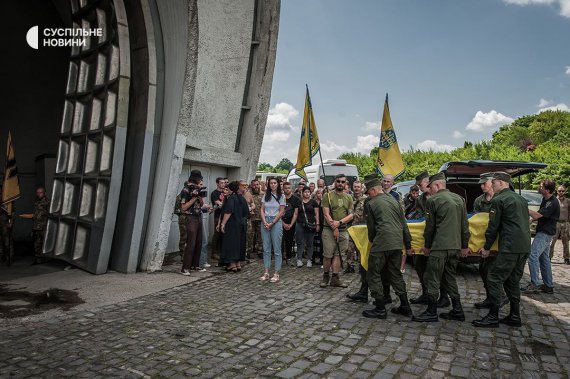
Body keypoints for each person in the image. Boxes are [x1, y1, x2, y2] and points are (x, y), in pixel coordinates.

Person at [472, 172, 531, 327]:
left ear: (501, 183)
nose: (492, 185)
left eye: (494, 182)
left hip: (509, 247)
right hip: (524, 246)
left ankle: (493, 316)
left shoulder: (499, 200)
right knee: (512, 282)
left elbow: (493, 227)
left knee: (494, 278)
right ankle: (515, 316)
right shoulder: (521, 199)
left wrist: (486, 247)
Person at [412, 172, 470, 323]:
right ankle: (457, 310)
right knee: (449, 277)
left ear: (437, 185)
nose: (429, 190)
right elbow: (465, 226)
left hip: (439, 247)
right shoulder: (460, 199)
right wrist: (464, 246)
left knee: (432, 278)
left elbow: (430, 227)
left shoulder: (433, 201)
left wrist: (427, 246)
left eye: (430, 186)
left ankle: (431, 311)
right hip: (455, 247)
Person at [361, 177, 414, 319]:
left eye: (368, 192)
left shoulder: (371, 203)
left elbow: (371, 229)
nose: (368, 195)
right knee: (395, 274)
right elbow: (404, 225)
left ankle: (379, 307)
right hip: (397, 243)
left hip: (382, 242)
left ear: (373, 190)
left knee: (373, 273)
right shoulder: (394, 200)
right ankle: (405, 306)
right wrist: (407, 244)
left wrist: (373, 241)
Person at [473, 173, 507, 309]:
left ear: (492, 182)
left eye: (484, 183)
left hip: (498, 241)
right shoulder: (478, 201)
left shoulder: (501, 199)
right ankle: (490, 297)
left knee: (493, 271)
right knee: (483, 269)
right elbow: (476, 222)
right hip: (483, 241)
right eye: (480, 184)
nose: (482, 186)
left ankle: (500, 297)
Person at [521, 179, 560, 294]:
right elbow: (541, 215)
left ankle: (534, 284)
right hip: (545, 232)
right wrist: (531, 219)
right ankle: (548, 285)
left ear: (547, 190)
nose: (539, 187)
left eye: (541, 186)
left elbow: (538, 214)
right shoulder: (545, 199)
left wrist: (523, 206)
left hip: (545, 233)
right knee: (544, 259)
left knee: (532, 256)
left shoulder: (552, 202)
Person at [320, 174, 354, 288]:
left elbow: (350, 215)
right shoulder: (327, 196)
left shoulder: (349, 197)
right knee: (327, 255)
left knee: (338, 255)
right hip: (328, 230)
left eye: (343, 182)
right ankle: (325, 276)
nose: (340, 183)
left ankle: (335, 278)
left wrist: (339, 223)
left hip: (343, 230)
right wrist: (334, 227)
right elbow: (326, 213)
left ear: (346, 184)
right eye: (338, 181)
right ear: (335, 182)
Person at [180, 170, 209, 275]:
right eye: (200, 179)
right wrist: (193, 198)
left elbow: (201, 205)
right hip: (190, 217)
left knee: (199, 242)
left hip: (198, 216)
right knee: (191, 243)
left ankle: (195, 265)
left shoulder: (197, 189)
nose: (201, 180)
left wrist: (200, 197)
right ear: (195, 179)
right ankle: (185, 268)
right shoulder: (186, 190)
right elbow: (183, 208)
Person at [260, 177, 285, 283]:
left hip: (276, 221)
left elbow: (281, 211)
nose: (273, 185)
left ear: (278, 184)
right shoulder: (266, 195)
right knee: (266, 248)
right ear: (268, 184)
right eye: (271, 183)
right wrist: (265, 221)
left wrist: (272, 223)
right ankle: (266, 272)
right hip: (265, 221)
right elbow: (262, 209)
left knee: (277, 248)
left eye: (275, 183)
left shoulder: (281, 196)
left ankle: (276, 273)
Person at [218, 181, 248, 272]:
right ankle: (238, 264)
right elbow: (246, 212)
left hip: (232, 224)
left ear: (231, 189)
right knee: (239, 243)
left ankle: (232, 264)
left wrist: (222, 223)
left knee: (230, 244)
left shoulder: (232, 198)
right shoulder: (242, 198)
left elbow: (228, 212)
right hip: (241, 224)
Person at [345, 180, 366, 273]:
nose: (356, 188)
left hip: (361, 227)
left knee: (361, 248)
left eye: (358, 187)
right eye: (355, 187)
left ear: (361, 188)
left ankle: (362, 266)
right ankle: (350, 266)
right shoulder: (348, 198)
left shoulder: (366, 199)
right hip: (350, 227)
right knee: (349, 248)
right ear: (352, 187)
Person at [295, 186, 320, 267]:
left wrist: (317, 224)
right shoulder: (299, 202)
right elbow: (296, 213)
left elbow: (316, 214)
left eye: (308, 192)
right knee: (300, 242)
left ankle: (309, 260)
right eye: (305, 192)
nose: (307, 193)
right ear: (302, 193)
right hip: (300, 224)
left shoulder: (313, 202)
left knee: (310, 243)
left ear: (310, 193)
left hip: (311, 225)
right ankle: (299, 259)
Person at [281, 182, 301, 264]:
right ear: (283, 189)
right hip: (281, 221)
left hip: (291, 222)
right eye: (285, 188)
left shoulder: (295, 199)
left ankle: (288, 257)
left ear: (291, 188)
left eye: (289, 188)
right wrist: (283, 224)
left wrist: (291, 224)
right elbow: (277, 212)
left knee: (289, 241)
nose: (287, 189)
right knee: (280, 241)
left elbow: (296, 213)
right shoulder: (280, 198)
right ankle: (280, 257)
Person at [549, 184, 569, 264]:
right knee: (552, 241)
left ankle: (566, 258)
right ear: (557, 191)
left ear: (565, 191)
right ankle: (549, 256)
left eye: (562, 191)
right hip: (555, 223)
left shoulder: (568, 201)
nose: (561, 192)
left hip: (565, 223)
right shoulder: (554, 200)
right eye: (559, 191)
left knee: (566, 242)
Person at [31, 187, 50, 264]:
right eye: (37, 192)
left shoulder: (47, 202)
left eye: (40, 192)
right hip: (36, 226)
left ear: (44, 193)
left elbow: (50, 214)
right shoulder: (37, 202)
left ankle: (46, 259)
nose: (39, 194)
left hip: (44, 226)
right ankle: (38, 260)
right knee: (37, 243)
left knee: (45, 243)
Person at [210, 177, 227, 262]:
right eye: (222, 183)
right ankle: (213, 253)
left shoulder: (226, 193)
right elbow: (219, 204)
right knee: (217, 234)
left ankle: (221, 251)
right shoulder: (214, 193)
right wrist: (226, 204)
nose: (223, 184)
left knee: (223, 234)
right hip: (218, 216)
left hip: (226, 216)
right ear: (217, 183)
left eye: (224, 183)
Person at [247, 179, 264, 259]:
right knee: (250, 235)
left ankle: (260, 251)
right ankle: (248, 251)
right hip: (251, 218)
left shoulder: (263, 194)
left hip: (261, 218)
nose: (256, 186)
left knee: (260, 236)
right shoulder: (248, 194)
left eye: (257, 184)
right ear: (251, 185)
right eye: (254, 185)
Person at [174, 189, 187, 258]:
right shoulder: (180, 196)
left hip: (191, 218)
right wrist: (182, 213)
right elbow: (175, 209)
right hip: (183, 218)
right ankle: (183, 255)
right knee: (184, 237)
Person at [312, 188, 325, 265]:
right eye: (318, 193)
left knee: (321, 241)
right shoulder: (313, 202)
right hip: (314, 223)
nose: (319, 195)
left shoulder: (324, 202)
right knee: (314, 241)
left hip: (322, 223)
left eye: (321, 193)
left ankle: (321, 257)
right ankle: (313, 257)